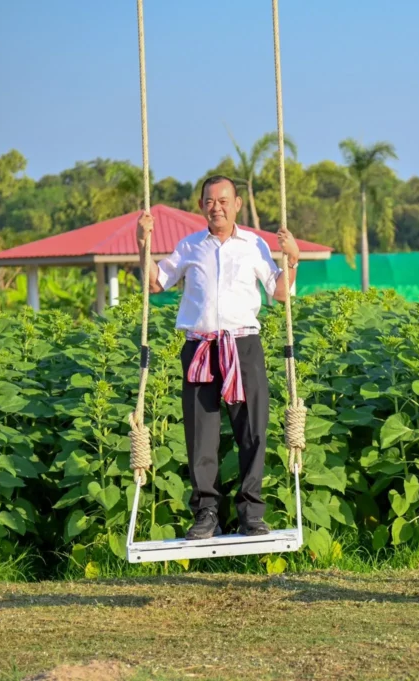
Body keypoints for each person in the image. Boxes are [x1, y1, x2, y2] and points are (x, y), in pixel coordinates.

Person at [135, 175, 300, 539]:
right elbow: (155, 283)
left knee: (252, 429)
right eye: (210, 201)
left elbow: (280, 293)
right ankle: (206, 512)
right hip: (200, 348)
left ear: (237, 204)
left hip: (243, 346)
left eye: (224, 201)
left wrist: (292, 258)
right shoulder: (190, 246)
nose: (217, 208)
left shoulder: (254, 245)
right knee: (201, 433)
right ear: (201, 206)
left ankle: (251, 512)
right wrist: (142, 244)